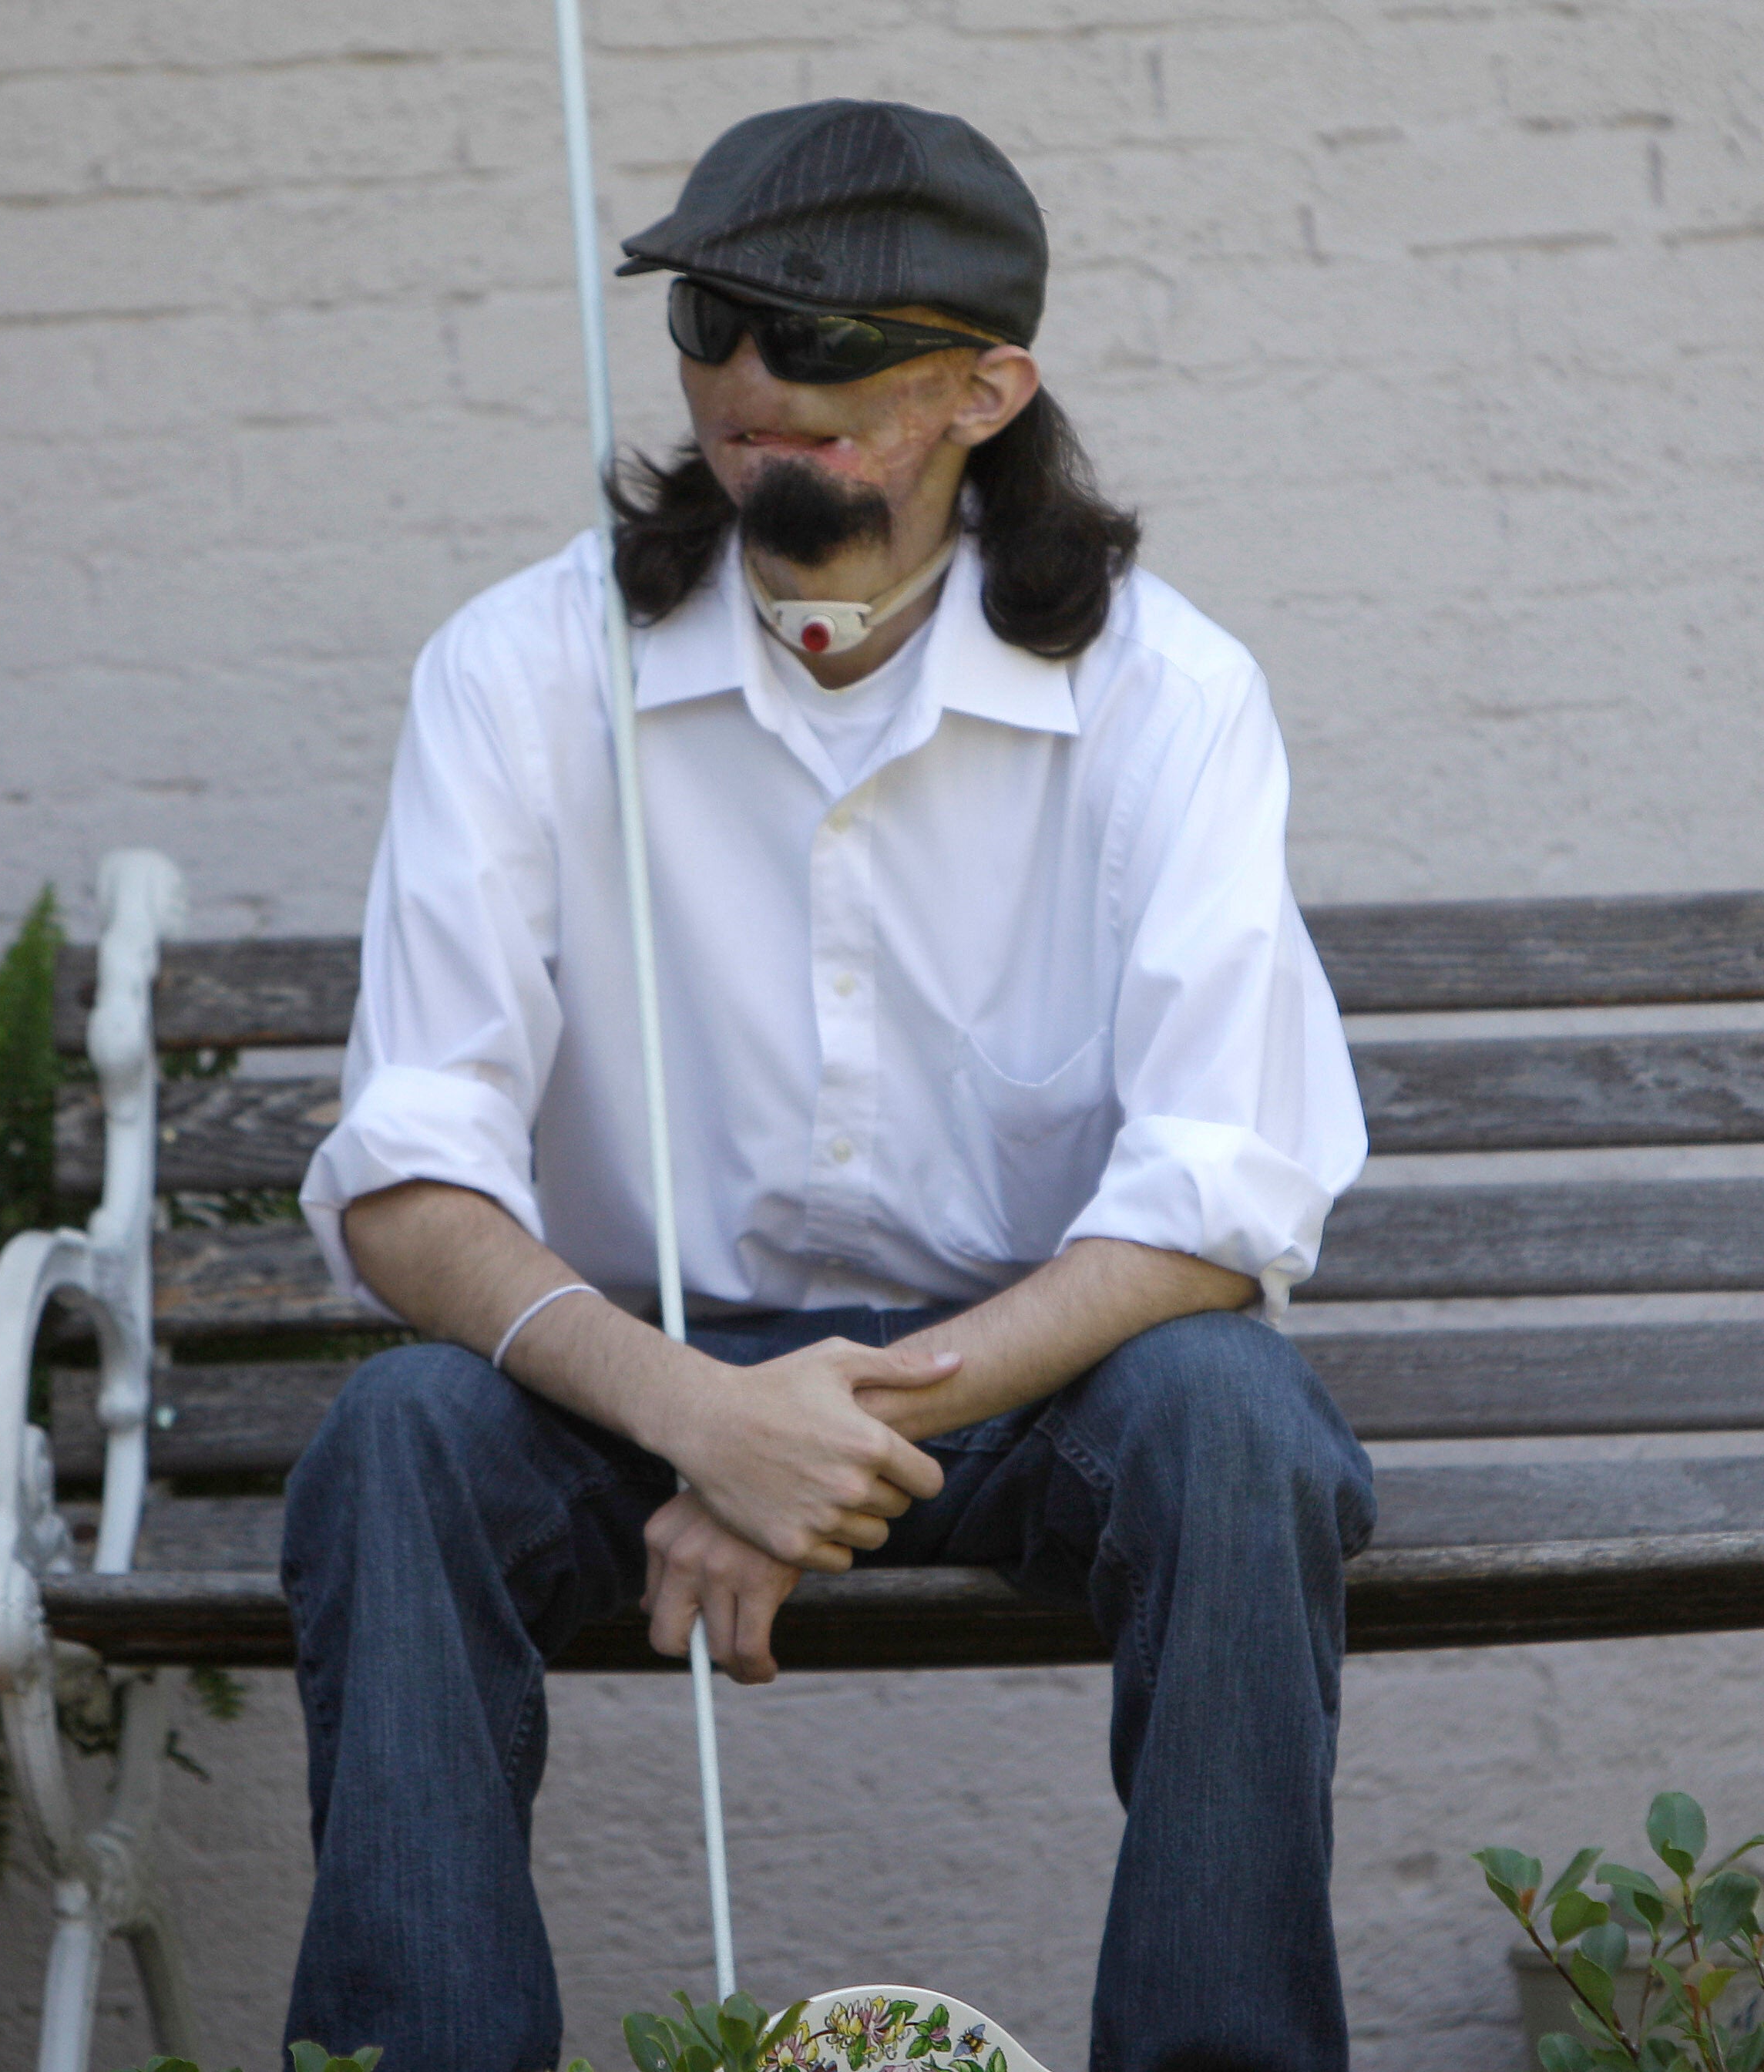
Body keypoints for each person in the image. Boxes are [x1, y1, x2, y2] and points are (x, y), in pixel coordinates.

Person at [283, 98, 1374, 2072]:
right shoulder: (521, 669)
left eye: (823, 337)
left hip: (1036, 1381)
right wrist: (704, 1418)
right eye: (710, 322)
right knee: (398, 1439)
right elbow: (410, 1181)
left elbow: (1220, 1201)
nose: (752, 380)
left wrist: (809, 1447)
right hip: (634, 1376)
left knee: (1239, 1422)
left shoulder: (1167, 690)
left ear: (985, 388)